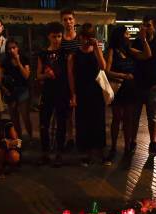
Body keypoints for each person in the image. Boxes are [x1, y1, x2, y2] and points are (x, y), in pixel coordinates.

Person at [105, 25, 151, 161]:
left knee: (128, 120)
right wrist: (123, 75)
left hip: (131, 89)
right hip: (118, 88)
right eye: (126, 33)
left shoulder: (129, 50)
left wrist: (144, 40)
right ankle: (113, 147)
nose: (128, 36)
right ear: (120, 36)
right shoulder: (112, 51)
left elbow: (147, 55)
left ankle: (127, 147)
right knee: (117, 118)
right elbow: (107, 71)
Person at [68, 23, 107, 167]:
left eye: (88, 37)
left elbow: (103, 67)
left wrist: (96, 48)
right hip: (82, 92)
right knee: (83, 123)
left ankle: (100, 152)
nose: (85, 40)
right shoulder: (74, 54)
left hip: (95, 91)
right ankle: (87, 153)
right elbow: (71, 76)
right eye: (83, 37)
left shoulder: (96, 50)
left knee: (98, 121)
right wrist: (73, 95)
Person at [132, 16, 156, 155]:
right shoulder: (137, 41)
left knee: (153, 116)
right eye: (143, 25)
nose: (145, 28)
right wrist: (143, 41)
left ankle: (152, 143)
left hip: (153, 86)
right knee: (134, 115)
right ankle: (132, 141)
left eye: (148, 25)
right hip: (138, 84)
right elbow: (142, 56)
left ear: (154, 27)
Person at [37, 22, 68, 167]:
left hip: (62, 92)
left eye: (59, 36)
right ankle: (45, 153)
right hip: (48, 92)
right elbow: (38, 75)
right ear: (48, 36)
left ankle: (59, 154)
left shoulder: (65, 53)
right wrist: (46, 75)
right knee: (44, 123)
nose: (57, 39)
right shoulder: (43, 54)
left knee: (61, 124)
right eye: (54, 36)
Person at [1, 39, 33, 140]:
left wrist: (18, 62)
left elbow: (26, 76)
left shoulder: (24, 59)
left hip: (22, 90)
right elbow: (0, 77)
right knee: (14, 118)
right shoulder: (5, 61)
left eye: (14, 48)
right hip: (10, 91)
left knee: (25, 117)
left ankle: (30, 137)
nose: (12, 50)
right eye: (9, 48)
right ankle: (18, 139)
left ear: (18, 48)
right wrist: (4, 89)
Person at [60, 9, 81, 151]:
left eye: (70, 19)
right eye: (65, 19)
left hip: (79, 78)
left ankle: (80, 137)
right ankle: (70, 137)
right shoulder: (60, 39)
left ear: (74, 20)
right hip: (64, 78)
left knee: (80, 110)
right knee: (67, 111)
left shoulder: (79, 38)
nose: (68, 22)